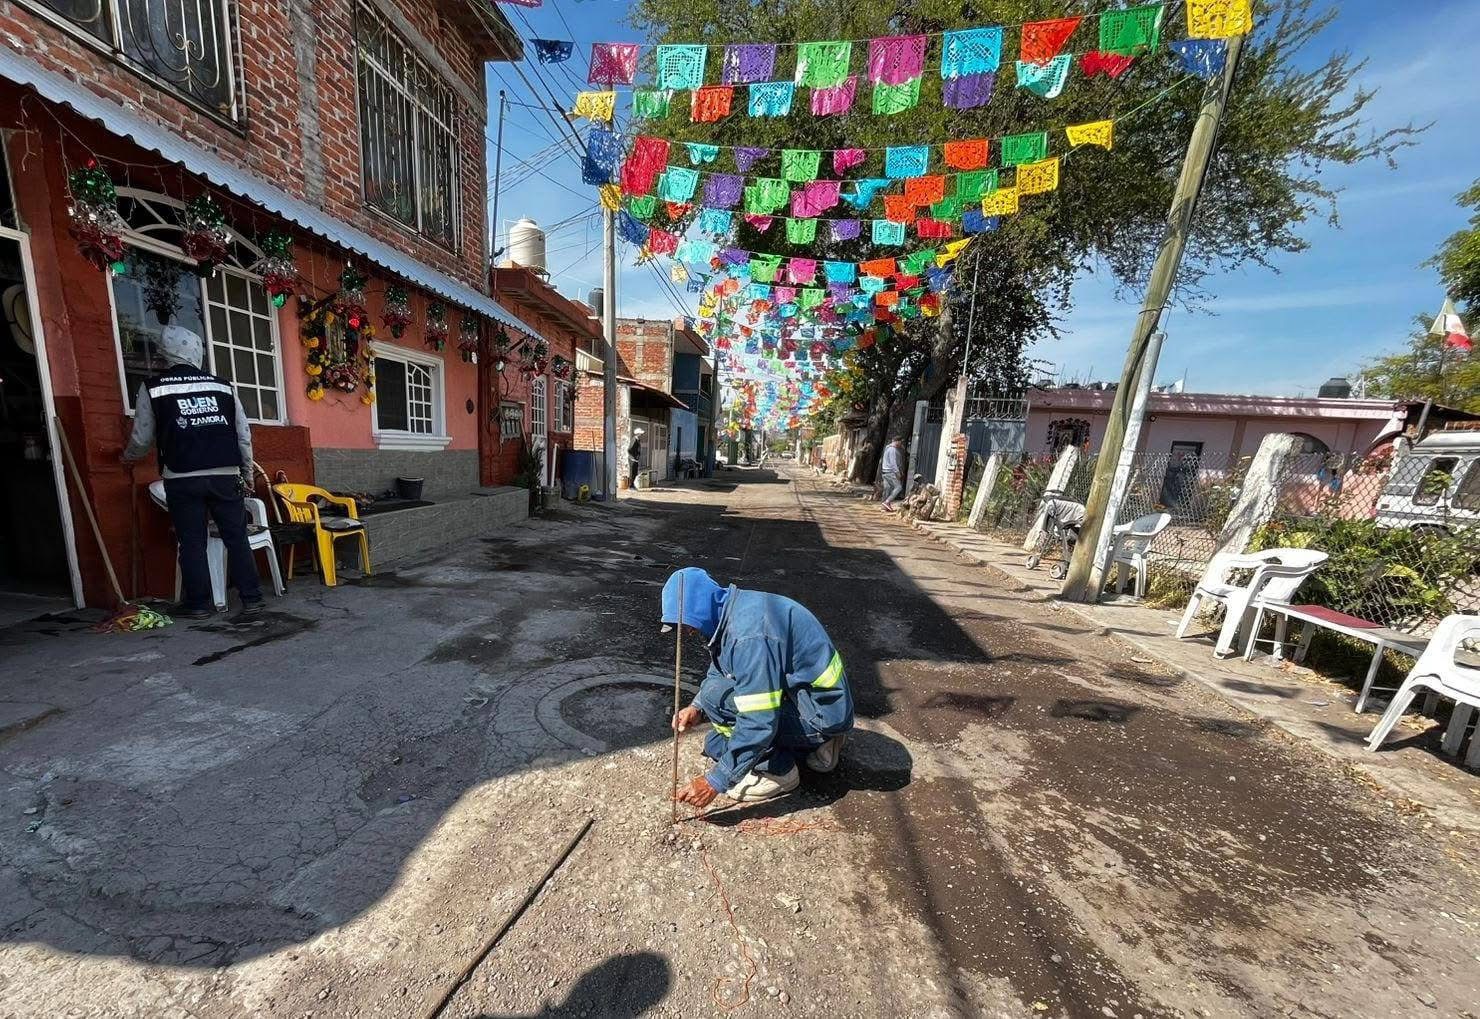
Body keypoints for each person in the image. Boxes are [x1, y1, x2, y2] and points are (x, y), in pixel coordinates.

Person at [664, 567, 854, 806]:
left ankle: (780, 772)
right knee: (715, 743)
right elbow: (725, 666)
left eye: (685, 624)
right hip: (816, 702)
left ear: (699, 608)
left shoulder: (748, 638)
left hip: (820, 715)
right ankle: (815, 747)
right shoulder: (734, 609)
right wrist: (696, 707)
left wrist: (716, 781)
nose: (687, 633)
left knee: (717, 701)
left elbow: (758, 721)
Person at [122, 326, 263, 619]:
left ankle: (198, 604)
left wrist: (128, 458)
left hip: (181, 477)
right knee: (236, 536)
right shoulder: (223, 387)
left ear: (165, 353)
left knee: (192, 541)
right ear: (196, 351)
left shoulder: (154, 388)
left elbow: (141, 437)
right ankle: (253, 598)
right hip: (226, 474)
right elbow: (243, 435)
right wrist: (247, 473)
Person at [880, 437, 906, 511]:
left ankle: (884, 506)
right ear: (897, 442)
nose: (901, 444)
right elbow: (893, 463)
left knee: (887, 488)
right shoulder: (893, 450)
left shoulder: (887, 448)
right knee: (898, 487)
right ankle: (887, 502)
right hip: (890, 472)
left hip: (885, 471)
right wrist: (897, 473)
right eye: (900, 442)